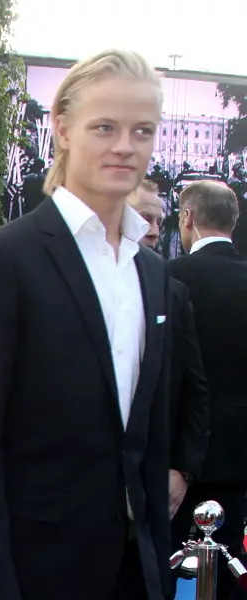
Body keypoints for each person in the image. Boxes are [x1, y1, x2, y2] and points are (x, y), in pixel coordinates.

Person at [0, 50, 172, 600]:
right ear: (62, 128)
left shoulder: (153, 273)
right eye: (105, 127)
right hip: (33, 573)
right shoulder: (4, 258)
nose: (125, 146)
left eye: (141, 130)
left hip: (135, 571)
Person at [169, 180, 247, 600]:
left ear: (187, 218)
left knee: (172, 566)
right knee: (230, 563)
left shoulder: (167, 278)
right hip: (238, 455)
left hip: (174, 457)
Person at [128, 181, 209, 519]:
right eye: (144, 218)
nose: (153, 231)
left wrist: (182, 472)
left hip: (152, 490)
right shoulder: (68, 286)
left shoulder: (172, 292)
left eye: (160, 221)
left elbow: (193, 388)